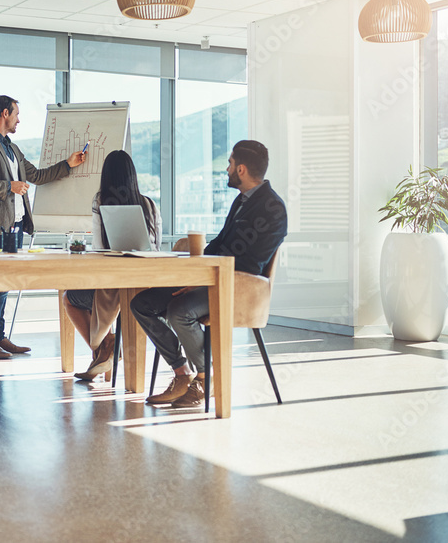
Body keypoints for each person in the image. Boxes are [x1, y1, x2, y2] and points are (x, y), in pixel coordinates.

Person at [130, 140, 287, 408]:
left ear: (241, 169)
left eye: (229, 163)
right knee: (142, 304)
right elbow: (221, 244)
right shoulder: (242, 200)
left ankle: (206, 379)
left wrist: (200, 280)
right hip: (212, 279)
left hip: (237, 287)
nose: (226, 169)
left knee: (180, 310)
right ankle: (182, 373)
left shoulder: (272, 208)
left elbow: (250, 263)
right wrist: (192, 271)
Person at [0, 95, 86, 360]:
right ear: (5, 113)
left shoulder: (12, 148)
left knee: (7, 282)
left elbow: (38, 176)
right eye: (17, 114)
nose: (19, 119)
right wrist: (8, 186)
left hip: (16, 225)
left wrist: (69, 164)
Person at [63, 150, 162, 381]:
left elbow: (98, 247)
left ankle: (105, 349)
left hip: (111, 286)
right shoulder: (149, 204)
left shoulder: (100, 201)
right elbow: (155, 248)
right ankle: (106, 351)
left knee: (70, 297)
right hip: (143, 289)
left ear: (106, 176)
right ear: (132, 175)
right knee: (88, 295)